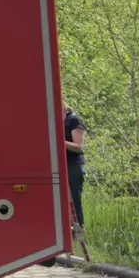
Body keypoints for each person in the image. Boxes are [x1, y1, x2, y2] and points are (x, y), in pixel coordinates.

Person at [62, 101, 86, 239]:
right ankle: (65, 235)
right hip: (60, 165)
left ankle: (78, 234)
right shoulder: (55, 120)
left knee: (74, 201)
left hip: (73, 166)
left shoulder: (73, 120)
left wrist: (60, 141)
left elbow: (78, 146)